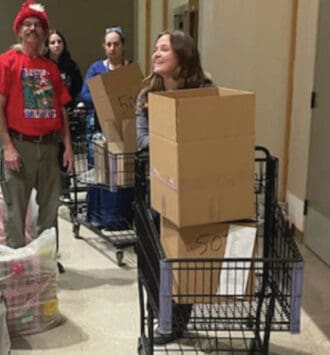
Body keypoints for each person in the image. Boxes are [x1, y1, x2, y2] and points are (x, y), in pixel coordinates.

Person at [135, 30, 212, 345]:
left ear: (183, 55)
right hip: (158, 187)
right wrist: (175, 139)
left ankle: (176, 320)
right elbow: (141, 142)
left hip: (195, 188)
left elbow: (215, 135)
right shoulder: (146, 98)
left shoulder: (206, 91)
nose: (156, 54)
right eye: (155, 49)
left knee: (185, 255)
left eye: (164, 49)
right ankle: (163, 315)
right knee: (154, 255)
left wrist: (176, 141)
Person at [0, 0, 73, 250]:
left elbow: (62, 111)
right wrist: (8, 147)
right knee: (15, 210)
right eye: (27, 24)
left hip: (48, 146)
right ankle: (16, 266)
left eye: (38, 25)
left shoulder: (51, 69)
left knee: (50, 209)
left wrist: (67, 146)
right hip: (19, 145)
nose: (32, 29)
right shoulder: (5, 63)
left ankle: (45, 262)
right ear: (18, 29)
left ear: (45, 33)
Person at [78, 26, 130, 166]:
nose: (112, 48)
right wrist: (106, 99)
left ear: (123, 46)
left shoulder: (130, 68)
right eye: (109, 44)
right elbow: (84, 94)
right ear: (104, 47)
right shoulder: (96, 68)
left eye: (116, 44)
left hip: (125, 128)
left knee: (122, 167)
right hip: (99, 126)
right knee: (99, 167)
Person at [45, 29, 83, 203]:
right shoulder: (43, 65)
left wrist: (78, 104)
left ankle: (65, 190)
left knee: (65, 153)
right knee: (49, 153)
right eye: (52, 42)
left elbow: (78, 89)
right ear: (47, 45)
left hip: (68, 114)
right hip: (48, 116)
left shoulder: (71, 66)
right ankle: (50, 190)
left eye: (59, 41)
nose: (56, 45)